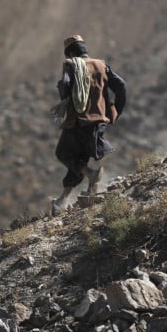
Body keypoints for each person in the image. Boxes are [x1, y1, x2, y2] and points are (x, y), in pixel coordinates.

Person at [52, 34, 127, 213]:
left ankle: (92, 175)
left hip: (80, 121)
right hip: (99, 121)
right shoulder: (101, 65)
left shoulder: (72, 65)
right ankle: (63, 199)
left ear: (70, 53)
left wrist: (65, 96)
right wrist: (115, 110)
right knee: (79, 160)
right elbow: (121, 86)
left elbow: (65, 85)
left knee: (63, 153)